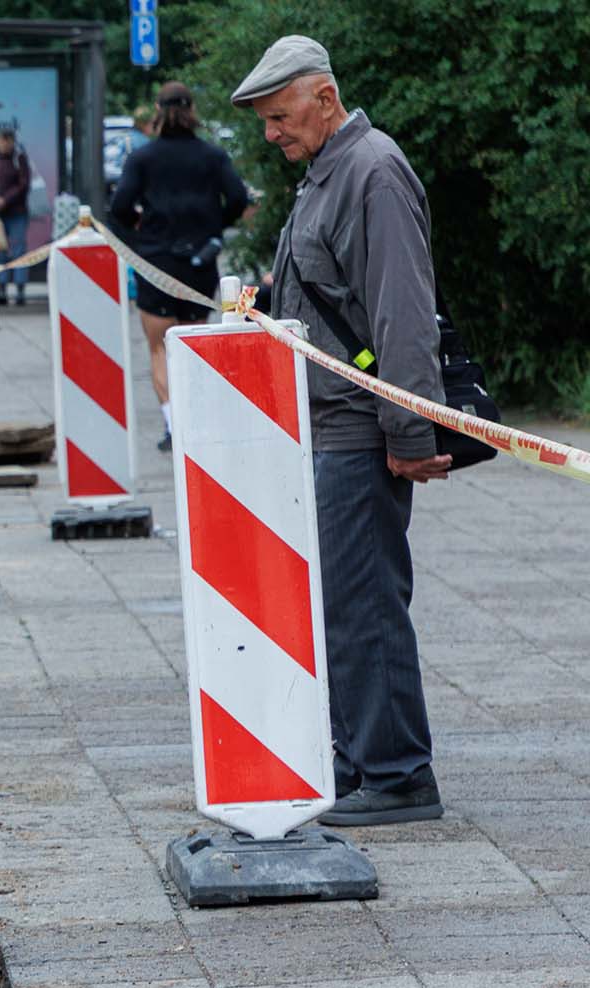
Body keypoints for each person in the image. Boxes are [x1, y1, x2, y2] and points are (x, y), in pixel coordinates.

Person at [233, 35, 448, 825]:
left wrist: (411, 431)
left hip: (360, 429)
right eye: (264, 123)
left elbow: (401, 313)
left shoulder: (372, 171)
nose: (272, 135)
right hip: (327, 425)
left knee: (362, 604)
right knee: (338, 604)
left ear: (325, 97)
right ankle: (359, 762)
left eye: (280, 117)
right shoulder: (331, 172)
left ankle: (397, 773)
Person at [109, 82, 247, 451]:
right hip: (199, 261)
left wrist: (140, 226)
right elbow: (238, 197)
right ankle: (195, 421)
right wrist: (215, 225)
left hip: (156, 262)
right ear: (192, 110)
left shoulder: (143, 159)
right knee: (193, 344)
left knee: (159, 348)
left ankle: (173, 425)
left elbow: (119, 206)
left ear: (158, 110)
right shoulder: (212, 156)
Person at [0, 126, 32, 306]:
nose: (4, 144)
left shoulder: (19, 158)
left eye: (7, 140)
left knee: (18, 250)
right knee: (0, 250)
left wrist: (5, 199)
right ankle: (1, 288)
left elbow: (24, 184)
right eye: (1, 140)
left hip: (17, 211)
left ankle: (19, 288)